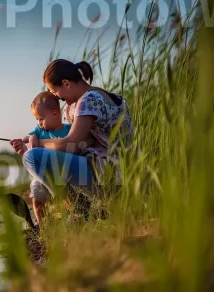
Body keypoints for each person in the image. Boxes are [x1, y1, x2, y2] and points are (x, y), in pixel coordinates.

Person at [10, 59, 133, 206]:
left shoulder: (89, 100)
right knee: (34, 156)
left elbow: (71, 144)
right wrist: (34, 139)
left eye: (55, 92)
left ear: (66, 83)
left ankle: (79, 208)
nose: (58, 99)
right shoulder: (96, 96)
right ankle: (82, 205)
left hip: (111, 173)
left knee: (31, 158)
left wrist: (39, 144)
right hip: (115, 169)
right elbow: (85, 142)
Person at [19, 91, 72, 223]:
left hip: (63, 173)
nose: (39, 123)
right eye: (36, 119)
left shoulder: (69, 130)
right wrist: (31, 137)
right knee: (37, 200)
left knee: (67, 198)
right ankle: (41, 224)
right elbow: (26, 138)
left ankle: (73, 214)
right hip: (42, 174)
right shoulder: (39, 131)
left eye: (41, 119)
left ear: (55, 114)